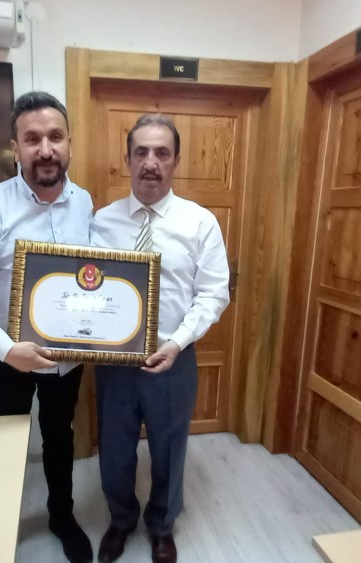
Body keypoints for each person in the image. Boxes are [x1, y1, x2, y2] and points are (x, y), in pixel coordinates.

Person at [0, 91, 94, 563]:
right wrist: (8, 350)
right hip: (7, 356)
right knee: (7, 442)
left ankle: (61, 516)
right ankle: (2, 524)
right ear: (15, 148)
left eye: (55, 137)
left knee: (60, 436)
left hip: (66, 357)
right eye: (32, 139)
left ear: (69, 143)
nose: (45, 149)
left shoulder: (84, 202)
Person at [91, 114, 230, 563]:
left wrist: (178, 341)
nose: (151, 162)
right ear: (128, 159)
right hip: (114, 361)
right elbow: (85, 287)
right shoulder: (101, 222)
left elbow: (214, 293)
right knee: (115, 449)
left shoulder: (200, 222)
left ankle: (162, 525)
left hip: (173, 357)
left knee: (170, 448)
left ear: (175, 161)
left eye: (161, 153)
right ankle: (121, 520)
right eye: (142, 152)